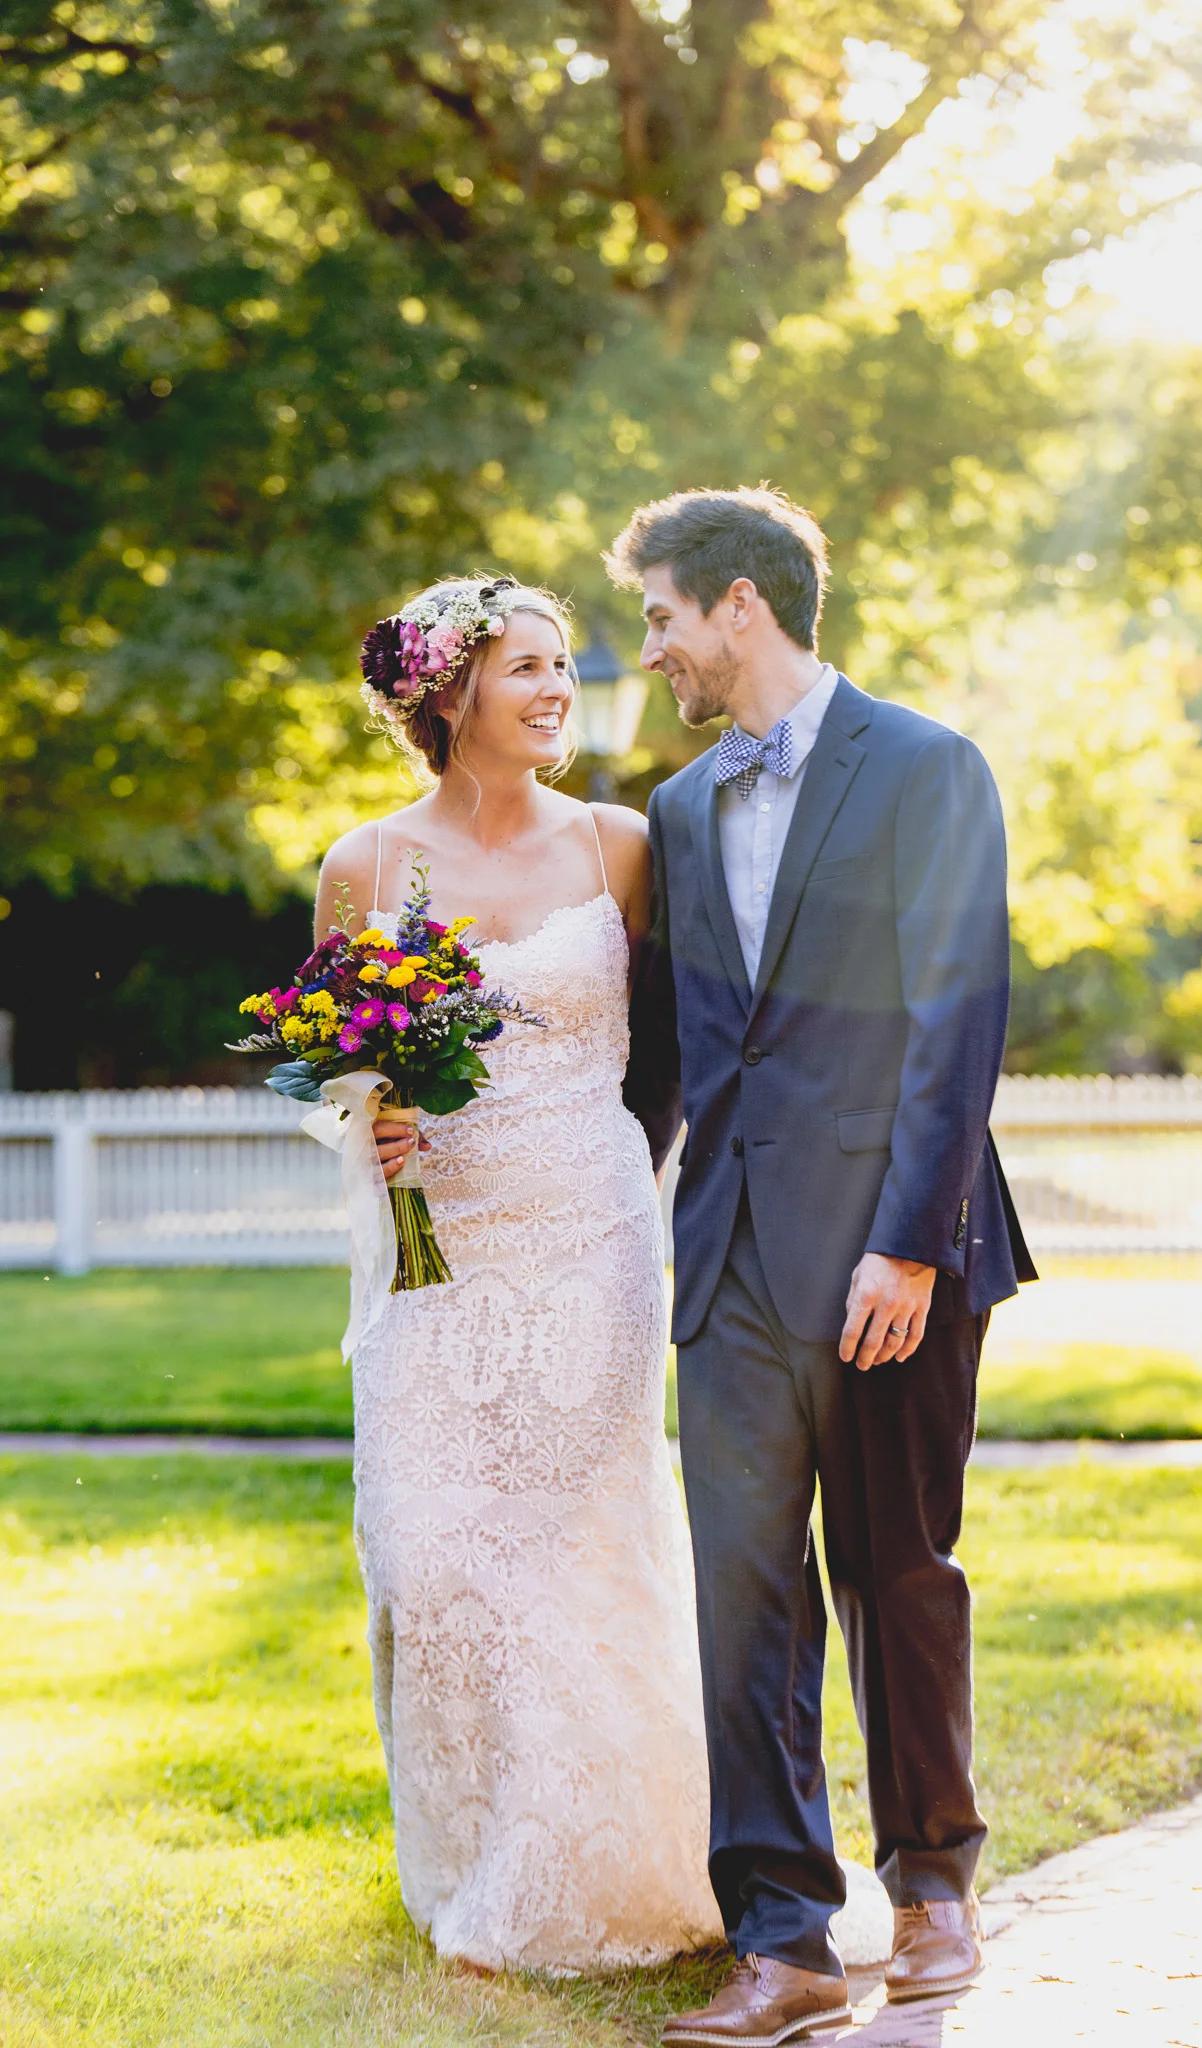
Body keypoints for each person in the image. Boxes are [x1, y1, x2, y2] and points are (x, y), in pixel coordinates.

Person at [608, 489, 1037, 2045]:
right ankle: (782, 1940)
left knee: (894, 1578)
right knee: (743, 1600)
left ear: (738, 605)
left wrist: (908, 1244)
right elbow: (668, 1065)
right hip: (725, 1264)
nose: (648, 649)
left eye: (659, 616)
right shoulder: (673, 809)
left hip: (886, 1255)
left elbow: (955, 1018)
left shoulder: (926, 767)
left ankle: (932, 1887)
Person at [314, 575, 719, 1973]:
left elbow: (665, 1050)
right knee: (430, 1556)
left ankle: (592, 1871)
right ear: (448, 694)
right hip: (437, 1253)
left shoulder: (619, 845)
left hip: (586, 1234)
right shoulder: (365, 863)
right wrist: (369, 1115)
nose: (555, 688)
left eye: (562, 666)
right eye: (526, 668)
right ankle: (475, 1851)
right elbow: (330, 1061)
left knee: (577, 1549)